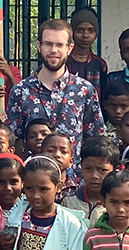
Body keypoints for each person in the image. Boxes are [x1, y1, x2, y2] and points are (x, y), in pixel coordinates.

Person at [7, 19, 103, 153]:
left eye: (59, 45)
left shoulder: (85, 90)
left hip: (72, 173)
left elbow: (95, 139)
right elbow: (14, 139)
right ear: (39, 46)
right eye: (48, 44)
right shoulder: (20, 91)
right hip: (33, 171)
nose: (53, 50)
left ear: (69, 48)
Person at [61, 135, 120, 223]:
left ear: (115, 169)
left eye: (102, 170)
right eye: (88, 168)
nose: (94, 176)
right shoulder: (69, 202)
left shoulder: (118, 205)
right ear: (82, 166)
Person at [66, 8, 108, 102]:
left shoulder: (100, 65)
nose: (85, 35)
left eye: (91, 31)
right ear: (72, 33)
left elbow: (102, 98)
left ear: (96, 33)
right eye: (80, 30)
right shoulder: (63, 62)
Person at [40, 131, 79, 202]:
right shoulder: (32, 186)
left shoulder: (76, 192)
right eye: (50, 150)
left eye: (63, 151)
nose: (57, 155)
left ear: (71, 161)